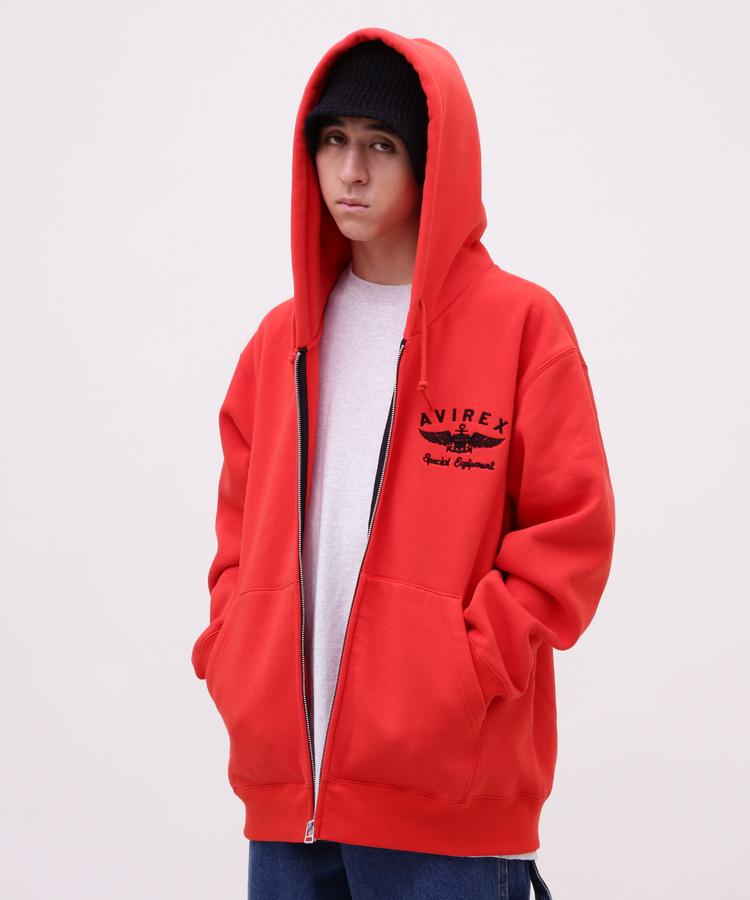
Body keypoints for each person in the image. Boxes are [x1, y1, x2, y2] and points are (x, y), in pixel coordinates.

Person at [190, 27, 615, 900]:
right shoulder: (276, 345)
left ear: (433, 163)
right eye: (333, 140)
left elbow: (572, 537)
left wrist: (461, 672)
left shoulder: (521, 328)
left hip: (445, 814)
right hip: (287, 811)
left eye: (381, 145)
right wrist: (235, 652)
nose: (350, 171)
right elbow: (234, 537)